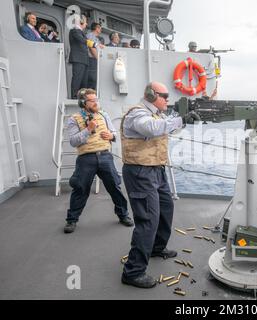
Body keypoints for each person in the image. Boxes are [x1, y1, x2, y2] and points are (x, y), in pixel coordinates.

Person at [120, 82, 183, 288]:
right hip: (140, 172)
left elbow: (167, 130)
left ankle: (157, 247)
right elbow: (150, 128)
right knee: (147, 219)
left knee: (166, 209)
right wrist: (180, 118)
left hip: (157, 169)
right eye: (164, 95)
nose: (168, 99)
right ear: (151, 94)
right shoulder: (137, 114)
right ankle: (133, 271)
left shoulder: (157, 114)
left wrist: (185, 120)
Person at [63, 88, 133, 233]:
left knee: (115, 187)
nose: (96, 102)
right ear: (83, 102)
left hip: (105, 157)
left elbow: (114, 132)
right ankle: (71, 220)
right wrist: (88, 129)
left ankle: (123, 215)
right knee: (80, 189)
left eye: (96, 99)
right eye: (92, 100)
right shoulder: (74, 119)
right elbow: (73, 141)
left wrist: (111, 136)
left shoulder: (103, 115)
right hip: (85, 159)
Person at [69, 15, 103, 98]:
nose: (86, 24)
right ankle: (74, 96)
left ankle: (82, 96)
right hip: (78, 59)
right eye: (85, 22)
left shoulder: (80, 32)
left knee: (84, 80)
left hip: (84, 59)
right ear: (81, 22)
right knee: (77, 78)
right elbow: (82, 40)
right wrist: (95, 44)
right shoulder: (74, 31)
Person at [86, 22, 102, 90]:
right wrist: (98, 59)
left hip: (94, 60)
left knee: (94, 80)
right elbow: (92, 48)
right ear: (96, 28)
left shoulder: (96, 38)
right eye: (100, 28)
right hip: (91, 60)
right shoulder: (90, 35)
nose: (101, 30)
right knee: (92, 79)